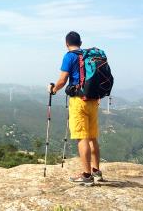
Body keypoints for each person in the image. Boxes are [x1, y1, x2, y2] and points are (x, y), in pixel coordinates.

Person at [48, 31, 103, 186]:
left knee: (82, 137)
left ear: (66, 43)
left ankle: (86, 176)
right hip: (93, 101)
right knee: (93, 137)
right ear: (81, 42)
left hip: (79, 101)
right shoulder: (89, 56)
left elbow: (62, 80)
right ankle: (96, 171)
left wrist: (53, 89)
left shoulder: (69, 56)